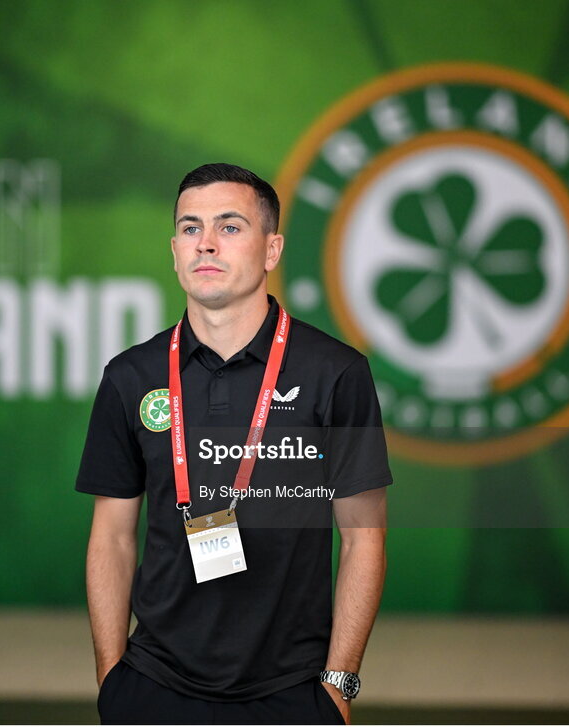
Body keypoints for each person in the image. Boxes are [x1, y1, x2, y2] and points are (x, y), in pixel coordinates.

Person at [76, 162, 391, 724]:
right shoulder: (131, 376)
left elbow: (363, 538)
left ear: (272, 250)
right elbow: (113, 537)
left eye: (229, 226)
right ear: (174, 250)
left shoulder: (335, 373)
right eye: (191, 229)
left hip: (291, 691)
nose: (207, 245)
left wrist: (338, 687)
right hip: (153, 686)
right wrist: (112, 680)